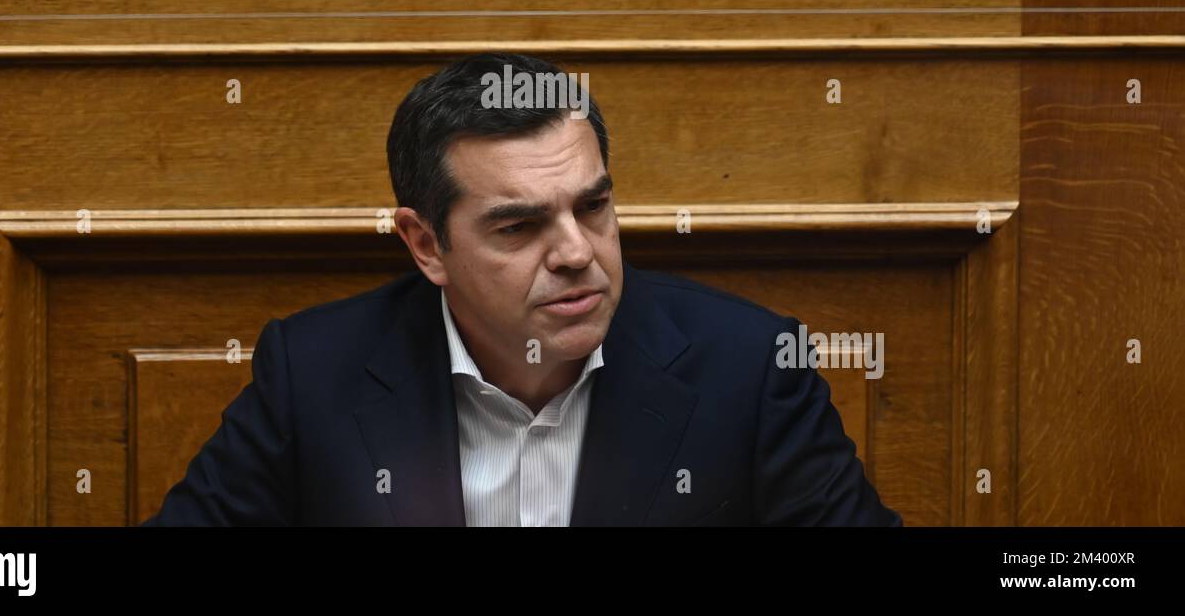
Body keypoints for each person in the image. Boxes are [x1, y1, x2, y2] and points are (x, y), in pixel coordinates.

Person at [145, 51, 901, 526]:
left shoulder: (752, 368)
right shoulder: (312, 373)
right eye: (519, 228)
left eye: (593, 206)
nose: (577, 253)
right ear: (425, 244)